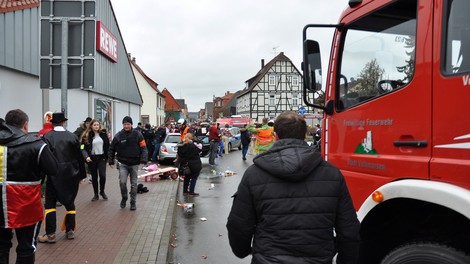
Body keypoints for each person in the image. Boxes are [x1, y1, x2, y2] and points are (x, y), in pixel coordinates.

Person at [227, 111, 360, 263]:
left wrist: (243, 251)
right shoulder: (332, 174)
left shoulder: (254, 174)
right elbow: (349, 230)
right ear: (304, 136)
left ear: (275, 136)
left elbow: (239, 224)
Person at [0, 109, 58, 263]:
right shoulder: (36, 144)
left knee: (1, 246)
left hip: (1, 205)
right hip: (26, 205)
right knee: (26, 247)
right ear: (25, 125)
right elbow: (53, 169)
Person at [39, 112, 87, 243]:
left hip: (54, 175)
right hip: (71, 174)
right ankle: (70, 230)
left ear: (52, 122)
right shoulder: (72, 137)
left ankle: (50, 234)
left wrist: (41, 179)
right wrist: (82, 175)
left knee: (50, 204)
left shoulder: (47, 137)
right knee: (70, 202)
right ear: (63, 122)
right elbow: (79, 157)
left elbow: (44, 159)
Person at [108, 116, 148, 211]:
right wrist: (110, 160)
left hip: (134, 164)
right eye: (125, 124)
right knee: (122, 182)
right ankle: (124, 197)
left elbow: (143, 148)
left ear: (131, 125)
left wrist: (144, 160)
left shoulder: (138, 134)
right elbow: (111, 148)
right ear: (123, 125)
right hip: (123, 164)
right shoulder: (118, 135)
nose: (126, 126)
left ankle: (133, 202)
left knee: (134, 185)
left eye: (128, 124)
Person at [80, 119, 110, 202]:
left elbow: (108, 146)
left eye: (97, 125)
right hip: (92, 159)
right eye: (94, 125)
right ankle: (96, 194)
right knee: (94, 177)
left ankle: (102, 191)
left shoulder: (103, 134)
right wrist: (86, 157)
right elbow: (82, 148)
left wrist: (109, 158)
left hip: (101, 158)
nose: (96, 126)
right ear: (91, 126)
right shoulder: (86, 135)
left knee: (102, 175)